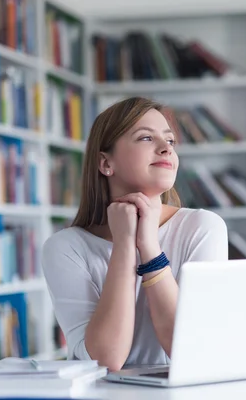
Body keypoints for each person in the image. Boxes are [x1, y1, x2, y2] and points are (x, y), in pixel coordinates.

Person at [41, 96, 228, 371]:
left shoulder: (202, 228)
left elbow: (190, 349)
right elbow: (106, 359)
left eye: (170, 141)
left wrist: (149, 246)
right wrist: (125, 245)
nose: (166, 149)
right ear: (106, 163)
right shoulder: (65, 247)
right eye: (145, 138)